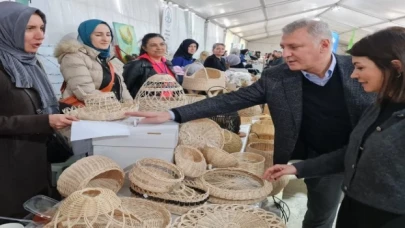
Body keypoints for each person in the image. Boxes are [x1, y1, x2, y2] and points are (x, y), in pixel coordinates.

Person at [126, 19, 375, 228]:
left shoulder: (360, 69)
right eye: (283, 46)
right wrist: (172, 114)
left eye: (294, 47)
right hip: (315, 158)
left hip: (365, 157)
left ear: (324, 45)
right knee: (321, 212)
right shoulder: (278, 76)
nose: (285, 54)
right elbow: (232, 100)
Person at [263, 26, 405, 228]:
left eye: (360, 67)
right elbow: (353, 153)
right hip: (355, 208)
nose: (354, 75)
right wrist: (297, 168)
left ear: (395, 67)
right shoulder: (380, 107)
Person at [0, 2, 77, 220]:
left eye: (42, 28)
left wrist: (75, 112)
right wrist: (45, 122)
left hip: (33, 162)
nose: (40, 35)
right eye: (29, 28)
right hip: (7, 171)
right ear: (6, 29)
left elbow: (38, 102)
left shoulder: (30, 63)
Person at [55, 19, 133, 106]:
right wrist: (117, 107)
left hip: (110, 113)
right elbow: (85, 92)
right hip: (85, 114)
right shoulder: (73, 57)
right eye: (98, 35)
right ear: (86, 36)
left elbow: (122, 88)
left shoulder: (109, 59)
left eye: (108, 34)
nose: (105, 39)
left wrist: (130, 106)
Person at [123, 33, 176, 98]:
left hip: (170, 103)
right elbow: (124, 89)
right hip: (147, 106)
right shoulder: (137, 65)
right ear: (144, 48)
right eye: (153, 45)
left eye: (162, 44)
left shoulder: (168, 63)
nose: (159, 48)